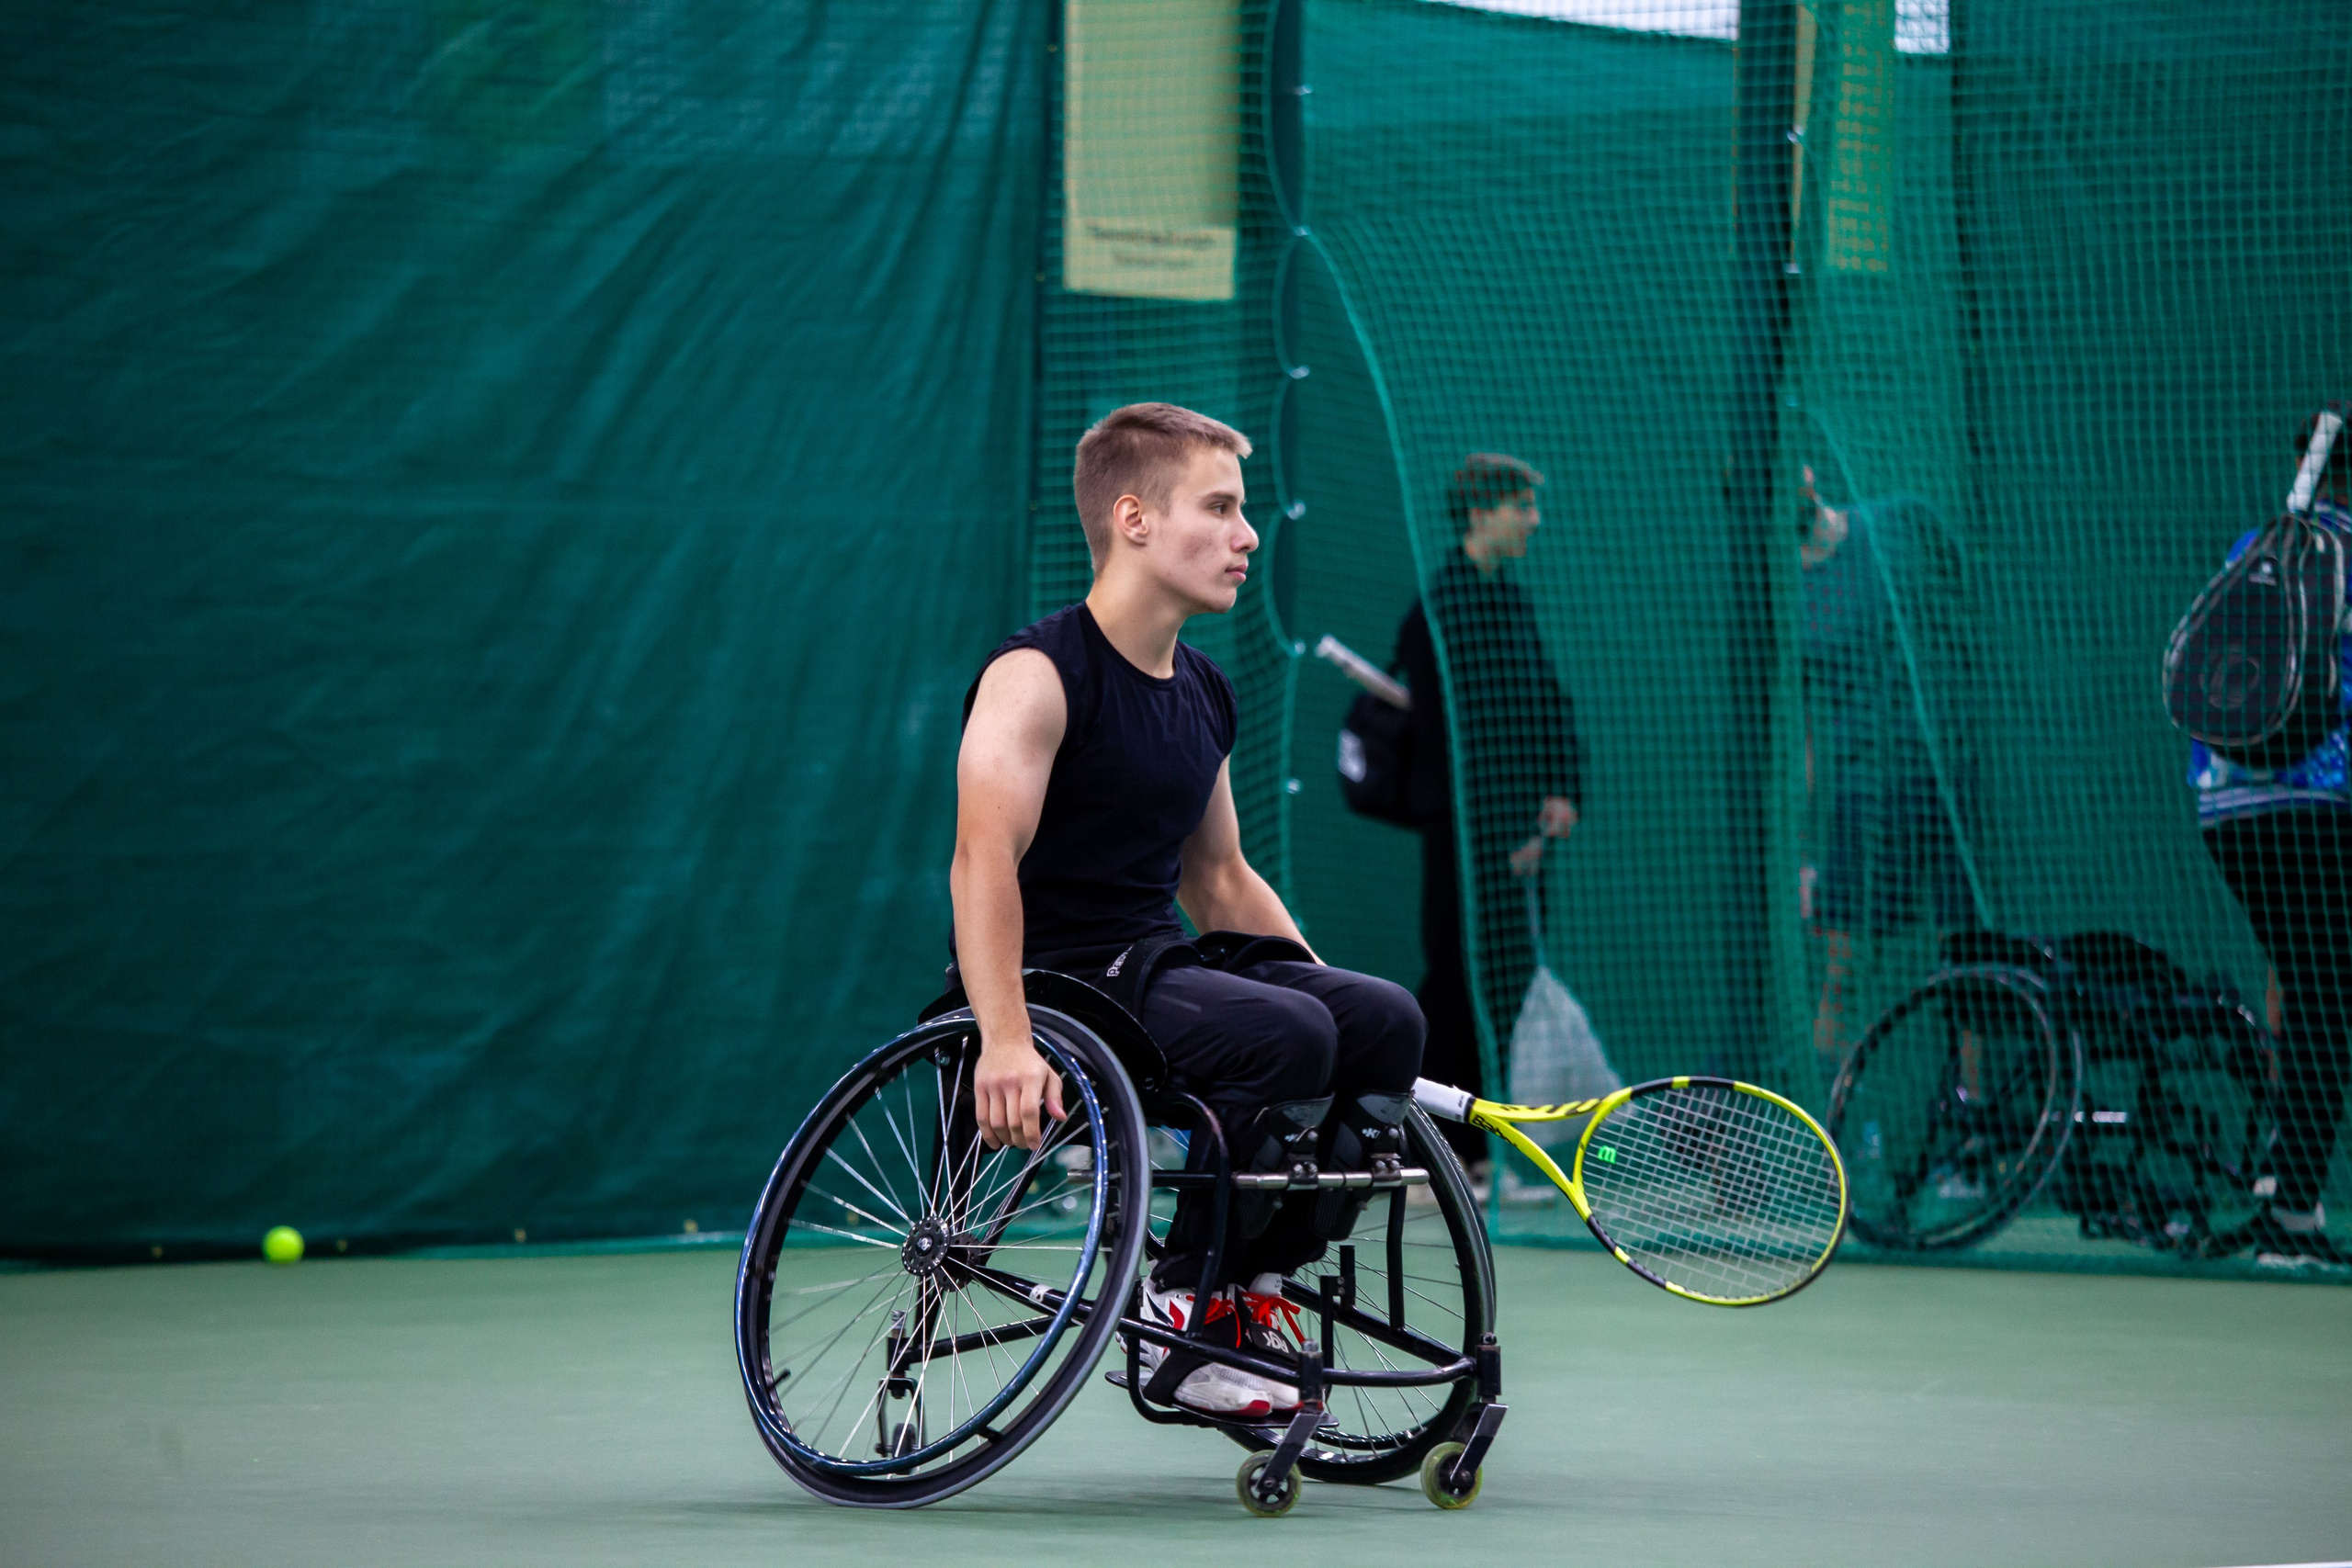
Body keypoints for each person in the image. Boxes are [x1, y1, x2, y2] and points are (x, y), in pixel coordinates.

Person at [952, 401, 1427, 1419]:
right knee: (1287, 1035)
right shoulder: (1035, 678)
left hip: (1155, 970)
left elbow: (1220, 878)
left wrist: (1336, 1003)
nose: (1247, 535)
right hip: (1056, 985)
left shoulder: (1204, 689)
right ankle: (1182, 1302)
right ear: (1134, 519)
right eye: (1219, 508)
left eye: (1242, 510)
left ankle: (1250, 1290)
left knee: (1383, 1016)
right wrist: (1005, 1037)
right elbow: (982, 862)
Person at [2188, 405, 2352, 1267]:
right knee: (2325, 995)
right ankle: (2291, 1217)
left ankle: (2276, 1181)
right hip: (2319, 806)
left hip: (2225, 812)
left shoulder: (2254, 549)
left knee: (2298, 973)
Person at [1390, 454, 1583, 1171]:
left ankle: (1475, 1153)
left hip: (1521, 841)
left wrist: (1562, 793)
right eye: (1520, 506)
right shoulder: (1439, 612)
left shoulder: (1513, 602)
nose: (1534, 519)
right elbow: (1458, 741)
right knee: (1455, 980)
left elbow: (1546, 706)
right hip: (1467, 840)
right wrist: (1505, 834)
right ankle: (1431, 1148)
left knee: (1504, 983)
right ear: (1482, 513)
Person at [1796, 466, 1980, 1062]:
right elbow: (1805, 739)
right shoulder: (1786, 596)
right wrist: (1803, 857)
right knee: (1842, 974)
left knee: (1968, 969)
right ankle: (1822, 1117)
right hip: (1865, 793)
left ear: (1805, 472)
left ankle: (1975, 1110)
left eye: (1786, 472)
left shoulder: (1902, 521)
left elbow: (1976, 606)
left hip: (1950, 777)